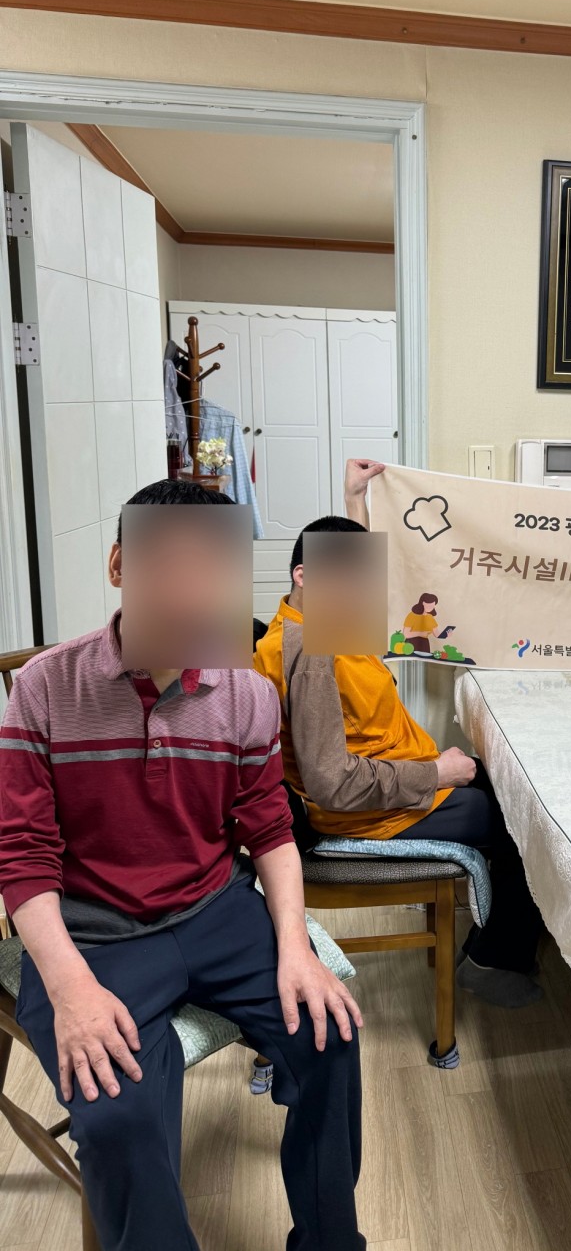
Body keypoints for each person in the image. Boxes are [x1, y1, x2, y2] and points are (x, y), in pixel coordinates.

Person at [0, 480, 366, 1251]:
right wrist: (69, 989)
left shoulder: (246, 693)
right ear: (118, 566)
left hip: (215, 910)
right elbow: (22, 854)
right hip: (94, 932)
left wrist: (295, 945)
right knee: (120, 1113)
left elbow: (269, 828)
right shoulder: (43, 689)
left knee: (329, 1035)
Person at [253, 459, 544, 1015]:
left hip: (403, 776)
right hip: (368, 811)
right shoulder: (310, 655)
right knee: (524, 818)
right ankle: (495, 961)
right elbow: (333, 784)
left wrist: (354, 499)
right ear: (304, 577)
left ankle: (500, 937)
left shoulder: (319, 620)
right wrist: (440, 772)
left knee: (518, 782)